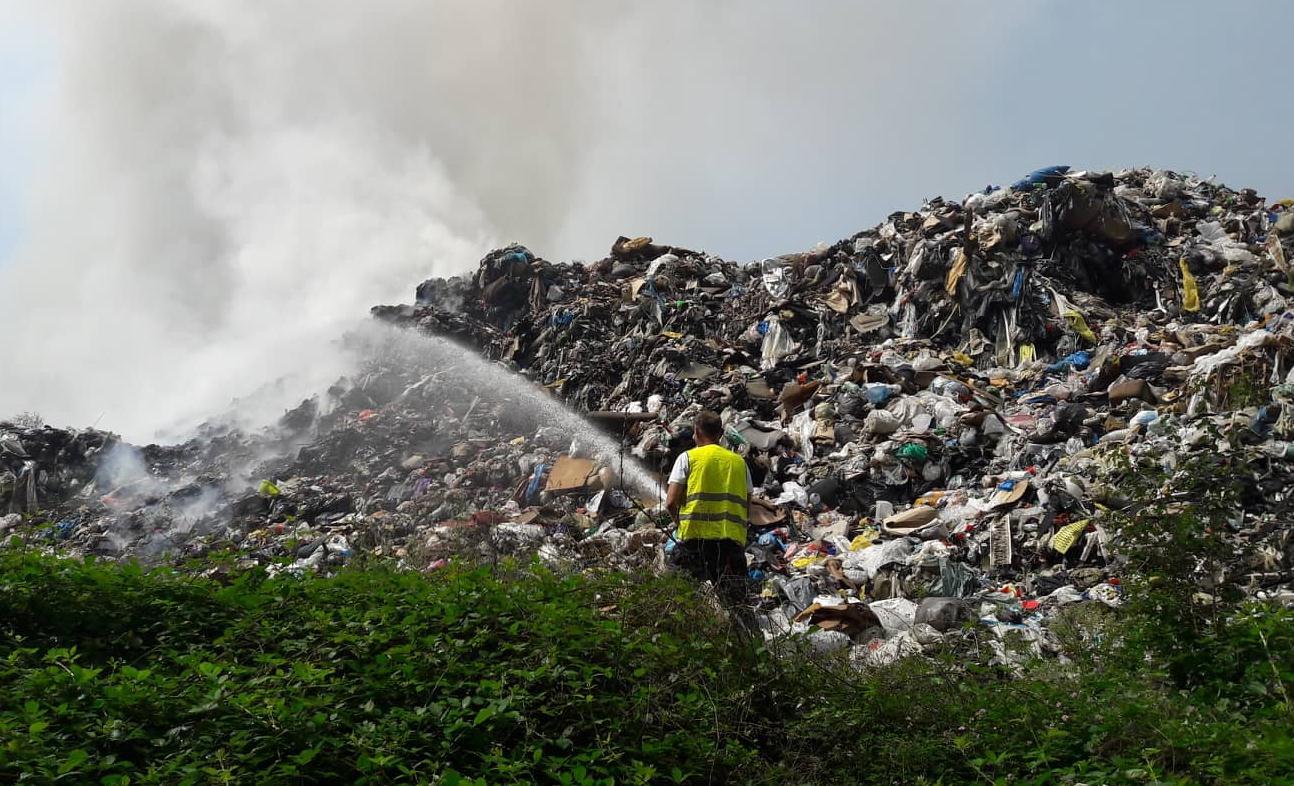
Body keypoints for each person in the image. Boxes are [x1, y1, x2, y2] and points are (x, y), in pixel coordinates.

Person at [666, 410, 752, 604]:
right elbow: (747, 505)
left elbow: (670, 502)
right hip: (730, 543)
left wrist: (678, 524)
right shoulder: (739, 463)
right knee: (737, 604)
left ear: (696, 431)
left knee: (679, 599)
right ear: (720, 434)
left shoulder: (687, 458)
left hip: (694, 542)